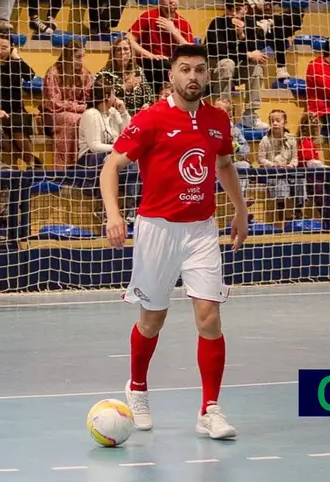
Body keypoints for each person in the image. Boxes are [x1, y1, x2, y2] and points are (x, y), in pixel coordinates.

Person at [99, 44, 249, 440]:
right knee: (152, 320)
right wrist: (114, 214)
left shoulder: (218, 119)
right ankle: (137, 386)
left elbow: (224, 165)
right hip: (158, 230)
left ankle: (210, 409)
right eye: (185, 69)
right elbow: (111, 165)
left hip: (202, 229)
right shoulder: (151, 119)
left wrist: (240, 209)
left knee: (210, 316)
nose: (193, 76)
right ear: (171, 75)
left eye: (199, 69)